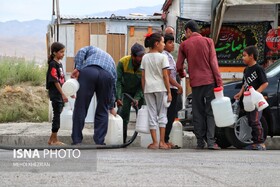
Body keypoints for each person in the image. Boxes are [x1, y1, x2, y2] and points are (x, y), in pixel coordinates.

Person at [176, 20, 223, 150]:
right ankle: (211, 142)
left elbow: (178, 66)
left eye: (185, 32)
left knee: (198, 112)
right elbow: (214, 63)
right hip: (210, 82)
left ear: (189, 31)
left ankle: (200, 142)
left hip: (196, 83)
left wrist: (182, 74)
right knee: (210, 112)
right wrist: (219, 82)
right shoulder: (208, 42)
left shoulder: (184, 45)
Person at [70, 46, 117, 145]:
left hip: (89, 72)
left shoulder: (92, 49)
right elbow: (113, 85)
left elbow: (81, 51)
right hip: (107, 75)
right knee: (103, 109)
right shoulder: (111, 60)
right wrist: (111, 105)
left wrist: (77, 68)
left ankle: (77, 140)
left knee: (81, 107)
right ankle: (99, 142)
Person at [141, 32, 172, 149]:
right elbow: (165, 76)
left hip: (148, 89)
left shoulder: (144, 57)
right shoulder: (163, 57)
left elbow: (143, 77)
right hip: (161, 88)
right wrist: (169, 92)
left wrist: (144, 90)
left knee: (152, 115)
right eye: (163, 42)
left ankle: (154, 142)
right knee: (162, 114)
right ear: (156, 43)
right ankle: (162, 142)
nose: (164, 45)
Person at [234, 45, 268, 150]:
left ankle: (261, 143)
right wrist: (240, 93)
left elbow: (265, 83)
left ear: (251, 56)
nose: (242, 58)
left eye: (244, 56)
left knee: (255, 120)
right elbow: (245, 83)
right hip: (248, 100)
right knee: (250, 120)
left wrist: (256, 94)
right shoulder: (246, 70)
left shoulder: (258, 69)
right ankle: (254, 142)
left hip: (256, 100)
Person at [116, 43, 145, 143]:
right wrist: (118, 97)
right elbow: (118, 81)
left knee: (145, 114)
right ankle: (122, 141)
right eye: (140, 56)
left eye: (143, 55)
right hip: (125, 93)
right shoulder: (123, 62)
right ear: (133, 56)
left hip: (139, 92)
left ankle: (147, 140)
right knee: (123, 116)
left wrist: (137, 98)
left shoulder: (144, 64)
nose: (142, 58)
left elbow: (143, 84)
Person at [162, 34, 183, 148]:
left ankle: (165, 139)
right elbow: (168, 76)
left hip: (171, 88)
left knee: (169, 115)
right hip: (170, 88)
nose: (172, 45)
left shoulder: (168, 55)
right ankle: (164, 140)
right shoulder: (165, 56)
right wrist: (178, 86)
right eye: (169, 42)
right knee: (168, 116)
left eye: (172, 42)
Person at [46, 42, 68, 145]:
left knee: (58, 113)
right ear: (54, 53)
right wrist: (63, 93)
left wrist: (68, 92)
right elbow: (55, 81)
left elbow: (62, 79)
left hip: (60, 93)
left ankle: (52, 139)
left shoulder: (59, 63)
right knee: (57, 115)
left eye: (64, 52)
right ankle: (54, 140)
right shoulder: (53, 64)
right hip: (56, 93)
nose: (63, 54)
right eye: (61, 52)